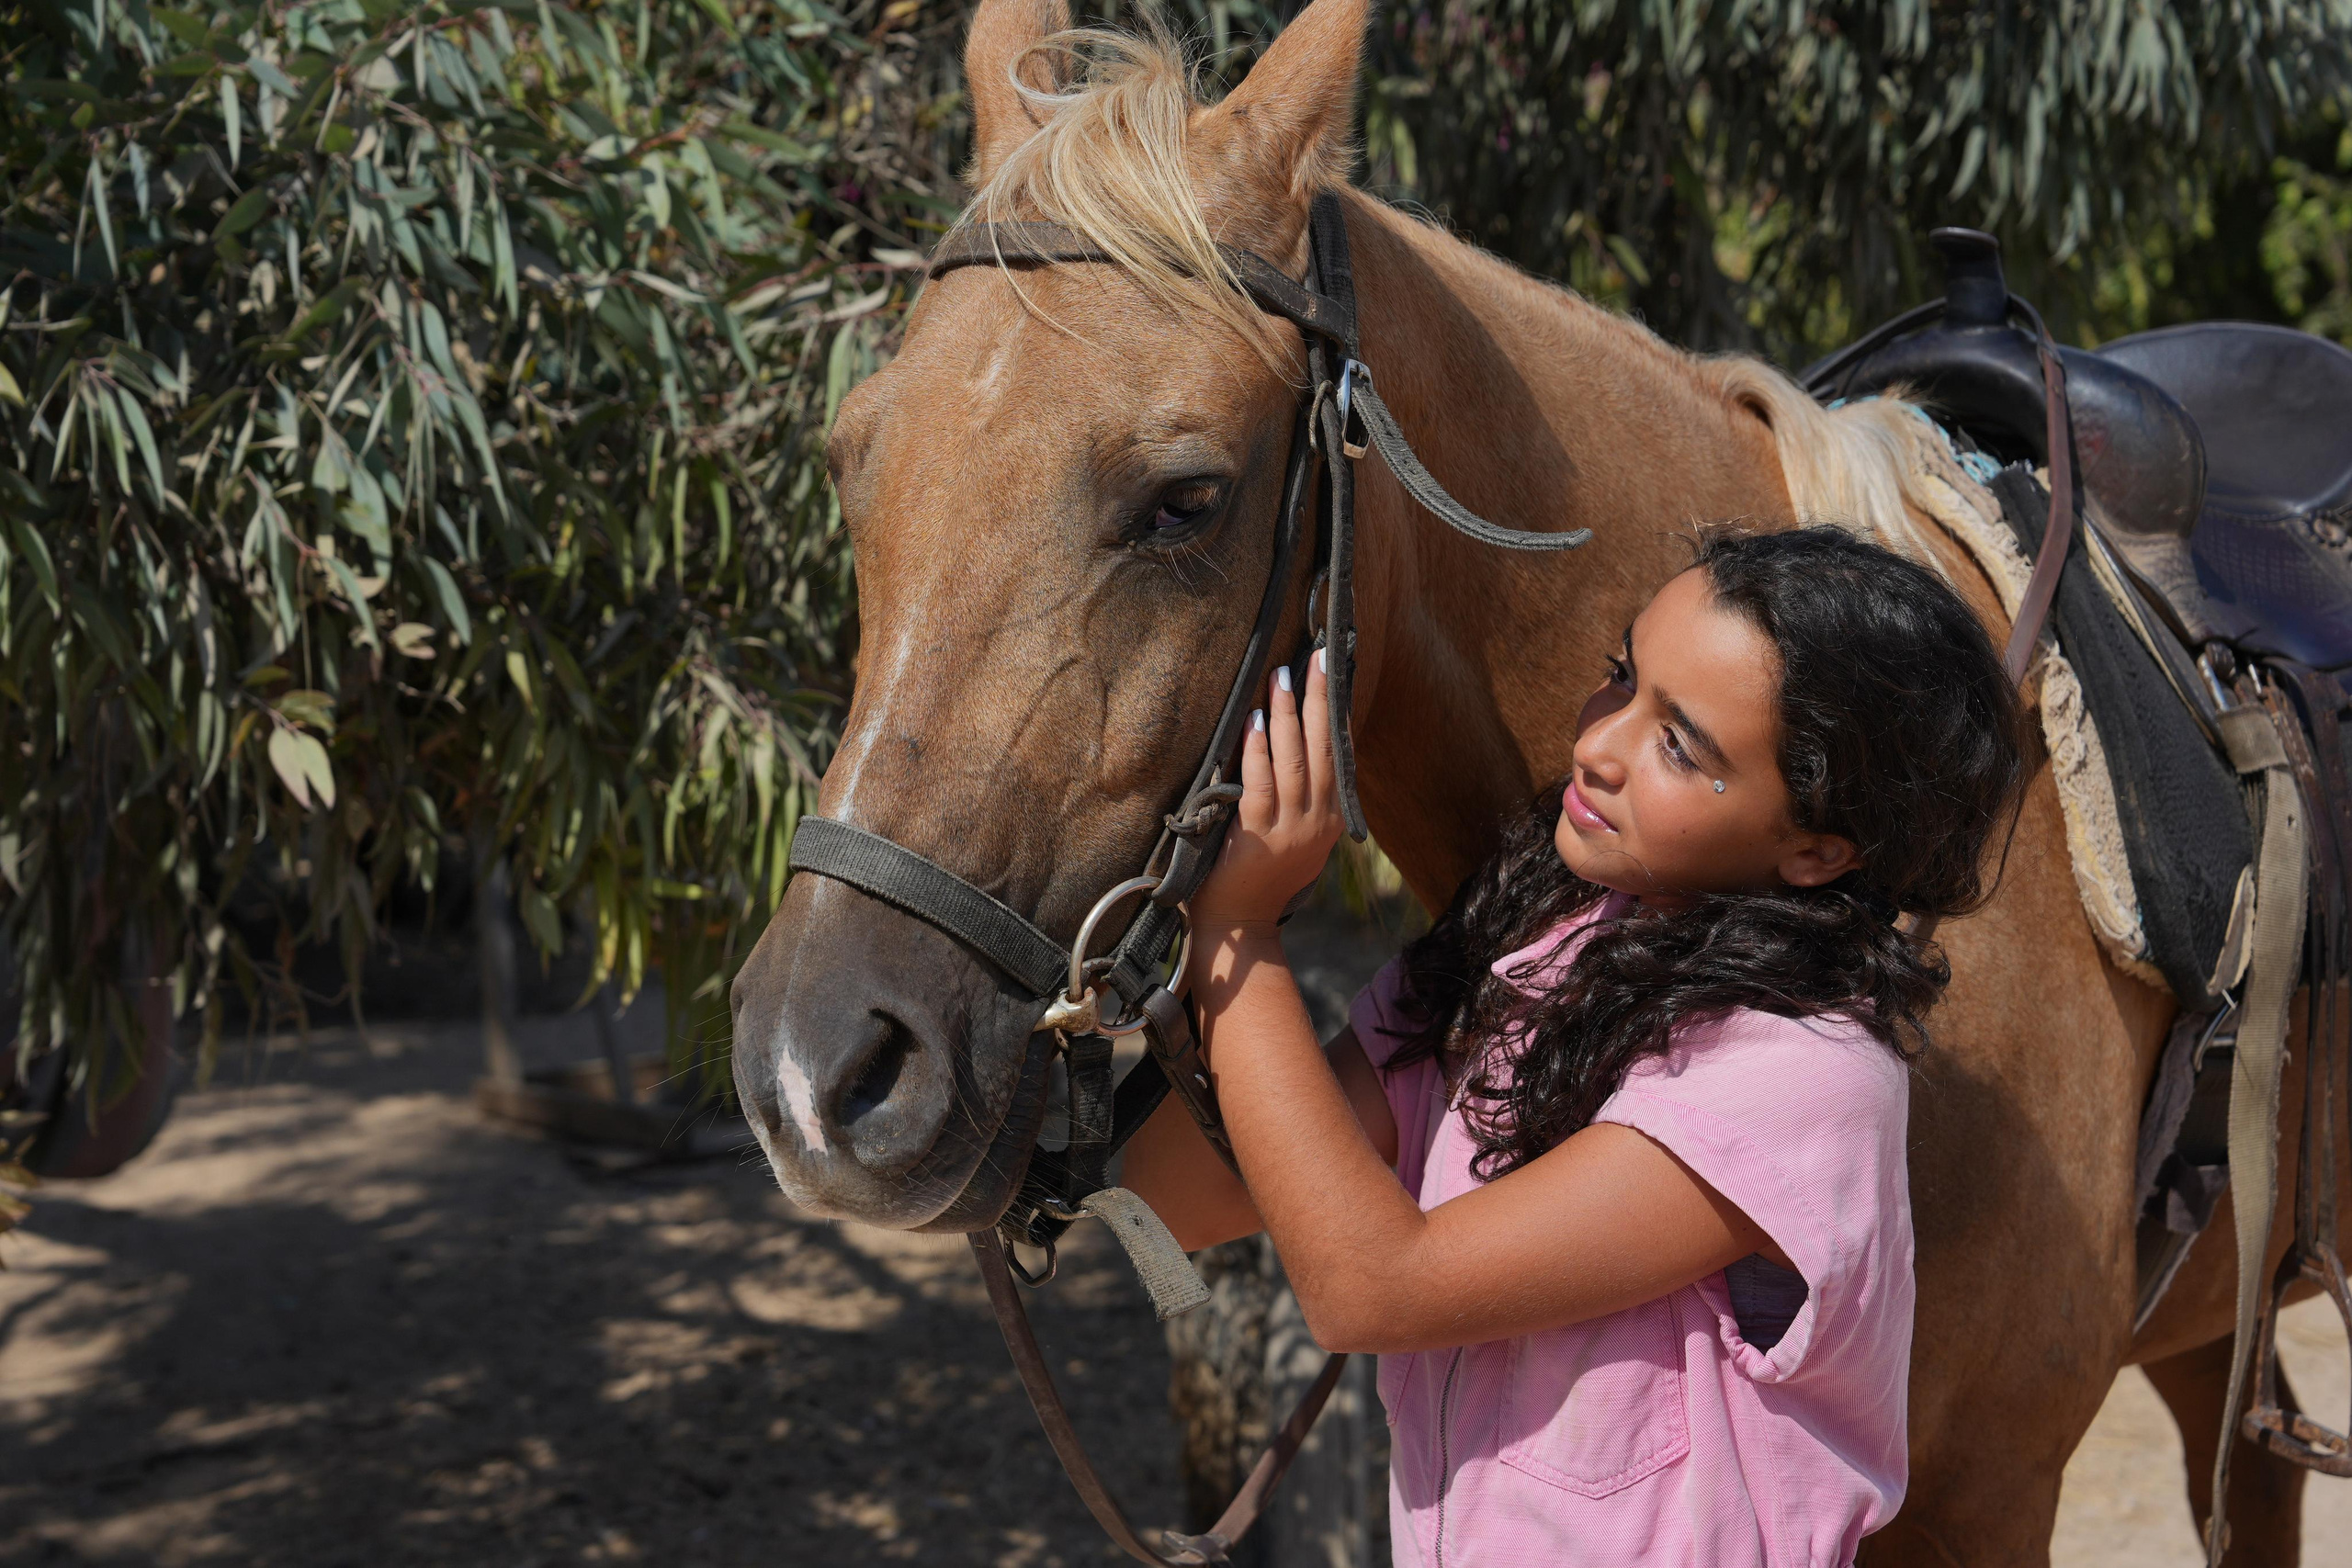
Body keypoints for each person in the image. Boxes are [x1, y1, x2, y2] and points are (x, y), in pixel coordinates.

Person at [1120, 525, 2026, 1567]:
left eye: (1679, 744)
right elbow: (1172, 1204)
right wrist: (1194, 925)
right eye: (1621, 678)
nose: (1598, 745)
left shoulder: (1805, 1072)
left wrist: (1245, 932)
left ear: (1817, 848)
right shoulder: (1536, 948)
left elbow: (1372, 1289)